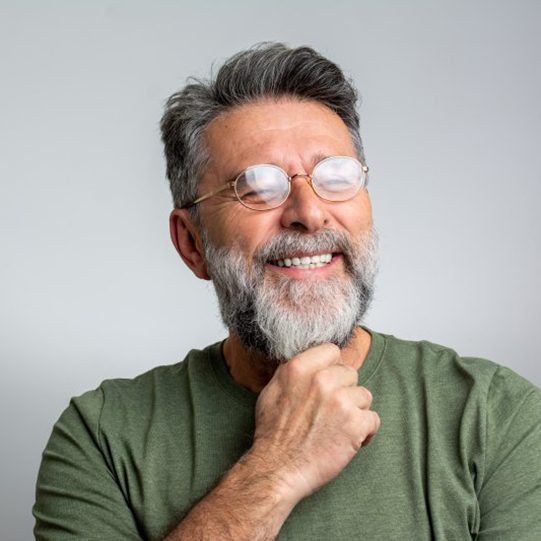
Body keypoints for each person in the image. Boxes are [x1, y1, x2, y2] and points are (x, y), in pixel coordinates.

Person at [33, 43, 541, 540]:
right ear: (192, 244)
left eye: (336, 176)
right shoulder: (101, 437)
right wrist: (276, 469)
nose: (309, 212)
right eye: (257, 187)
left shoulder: (496, 415)